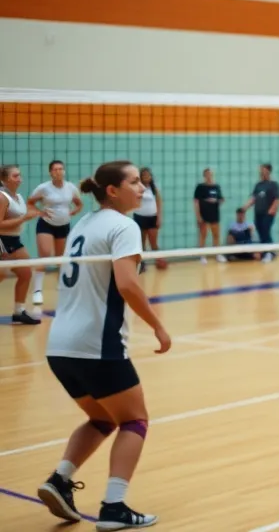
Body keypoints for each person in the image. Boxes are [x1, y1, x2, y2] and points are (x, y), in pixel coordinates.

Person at [36, 160, 170, 530]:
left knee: (101, 418)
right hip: (97, 345)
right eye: (133, 183)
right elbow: (127, 285)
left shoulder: (84, 223)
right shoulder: (124, 225)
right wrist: (158, 327)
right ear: (113, 190)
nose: (141, 188)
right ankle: (114, 507)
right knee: (135, 420)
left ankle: (60, 480)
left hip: (60, 345)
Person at [29, 160, 84, 305]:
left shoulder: (70, 188)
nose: (58, 171)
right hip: (46, 225)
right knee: (45, 255)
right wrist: (40, 213)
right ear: (50, 172)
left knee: (61, 258)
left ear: (64, 171)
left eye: (61, 169)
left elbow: (79, 204)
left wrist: (72, 212)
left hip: (63, 225)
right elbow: (30, 203)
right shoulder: (43, 188)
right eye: (55, 169)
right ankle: (37, 291)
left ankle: (63, 286)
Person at [0, 163, 41, 324]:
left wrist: (36, 213)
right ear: (4, 179)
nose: (19, 179)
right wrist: (24, 218)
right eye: (15, 176)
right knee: (1, 275)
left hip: (14, 240)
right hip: (2, 240)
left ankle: (19, 311)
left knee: (25, 273)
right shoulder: (2, 197)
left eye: (19, 175)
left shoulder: (18, 197)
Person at [240, 163, 279, 262]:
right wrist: (245, 207)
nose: (261, 172)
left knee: (265, 232)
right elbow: (254, 198)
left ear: (268, 171)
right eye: (261, 170)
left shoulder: (273, 184)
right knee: (261, 233)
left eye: (264, 170)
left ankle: (268, 253)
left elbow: (277, 198)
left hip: (268, 214)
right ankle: (270, 252)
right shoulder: (258, 185)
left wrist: (272, 210)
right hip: (258, 213)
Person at [132, 168, 165, 270]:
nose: (146, 177)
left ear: (151, 177)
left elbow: (159, 203)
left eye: (148, 175)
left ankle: (159, 261)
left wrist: (159, 217)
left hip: (152, 218)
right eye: (144, 175)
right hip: (139, 217)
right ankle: (142, 264)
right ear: (141, 177)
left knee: (153, 243)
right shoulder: (137, 187)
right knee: (141, 243)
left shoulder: (154, 189)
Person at [193, 167, 224, 258]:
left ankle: (218, 254)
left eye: (210, 174)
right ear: (204, 176)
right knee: (203, 235)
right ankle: (202, 256)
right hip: (204, 214)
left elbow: (221, 199)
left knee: (216, 235)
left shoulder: (216, 186)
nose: (209, 176)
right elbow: (196, 202)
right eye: (207, 174)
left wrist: (217, 201)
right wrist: (198, 216)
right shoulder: (200, 187)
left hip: (214, 213)